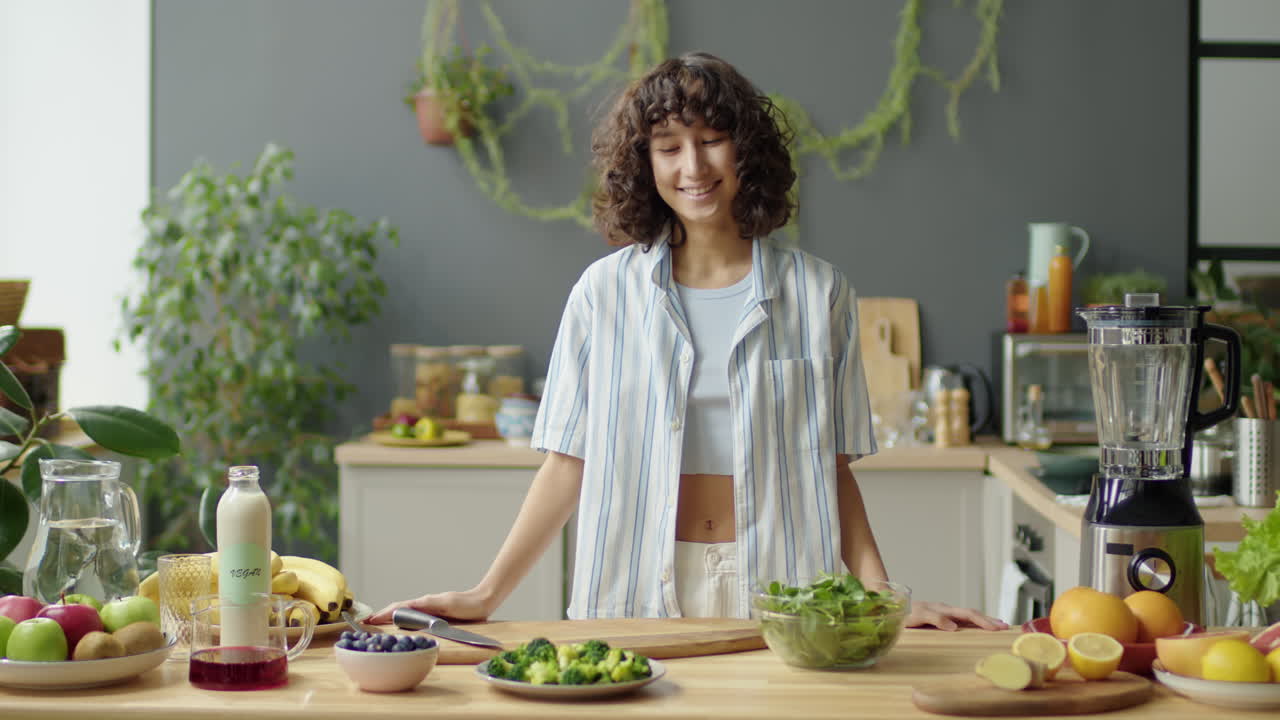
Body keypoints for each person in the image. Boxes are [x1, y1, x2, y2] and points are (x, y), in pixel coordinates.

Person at [370, 52, 1007, 631]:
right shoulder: (602, 295)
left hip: (787, 594)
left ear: (745, 152)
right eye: (669, 147)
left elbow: (832, 468)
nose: (693, 167)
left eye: (711, 141)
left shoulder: (820, 296)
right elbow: (568, 463)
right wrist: (486, 594)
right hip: (634, 587)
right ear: (645, 161)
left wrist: (883, 597)